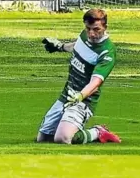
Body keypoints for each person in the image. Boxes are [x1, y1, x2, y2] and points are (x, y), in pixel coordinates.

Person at [37, 8, 121, 144]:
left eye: (96, 29)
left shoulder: (107, 52)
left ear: (105, 27)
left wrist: (80, 96)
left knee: (63, 138)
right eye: (88, 29)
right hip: (67, 95)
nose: (91, 34)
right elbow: (78, 45)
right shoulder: (84, 35)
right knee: (43, 138)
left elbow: (95, 83)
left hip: (83, 101)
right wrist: (60, 46)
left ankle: (98, 131)